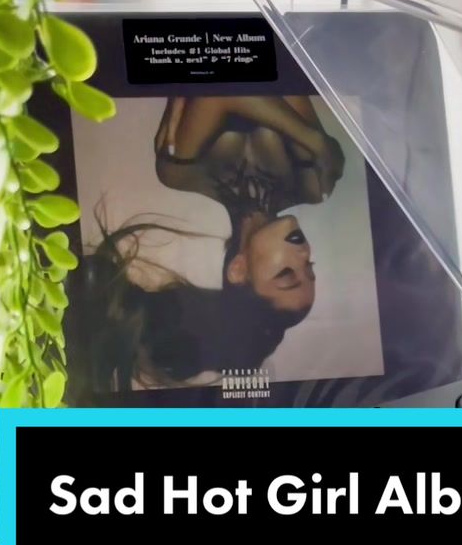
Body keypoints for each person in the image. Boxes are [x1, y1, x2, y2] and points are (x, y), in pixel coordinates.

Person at [73, 95, 345, 393]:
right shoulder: (313, 187)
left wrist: (315, 142)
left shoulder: (178, 174)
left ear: (238, 270)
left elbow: (221, 92)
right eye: (309, 268)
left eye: (287, 274)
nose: (303, 253)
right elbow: (287, 84)